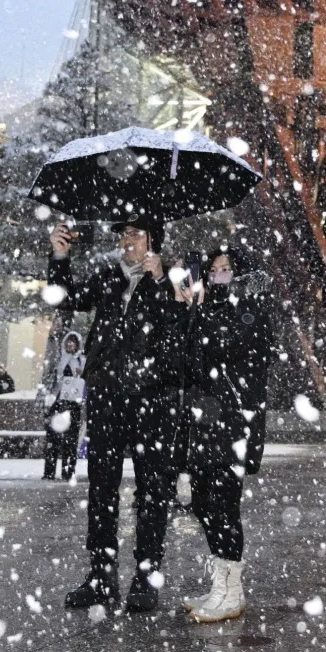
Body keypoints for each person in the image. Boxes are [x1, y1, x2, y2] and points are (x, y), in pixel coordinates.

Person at [47, 218, 183, 614]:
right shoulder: (107, 278)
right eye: (123, 234)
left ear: (153, 241)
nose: (127, 241)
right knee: (101, 487)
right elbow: (63, 297)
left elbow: (179, 329)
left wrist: (160, 283)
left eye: (136, 234)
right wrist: (60, 255)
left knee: (152, 490)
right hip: (107, 396)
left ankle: (146, 576)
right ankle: (100, 575)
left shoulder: (173, 280)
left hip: (153, 399)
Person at [173, 247, 274, 623]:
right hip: (205, 423)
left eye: (226, 269)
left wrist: (197, 311)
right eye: (213, 270)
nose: (218, 275)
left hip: (234, 425)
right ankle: (224, 585)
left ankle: (230, 591)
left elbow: (220, 349)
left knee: (224, 507)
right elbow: (188, 362)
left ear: (240, 274)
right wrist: (188, 310)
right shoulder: (209, 311)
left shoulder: (251, 311)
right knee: (202, 503)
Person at [41, 332, 85, 481]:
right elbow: (50, 377)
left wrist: (81, 374)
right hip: (58, 402)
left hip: (74, 403)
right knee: (52, 439)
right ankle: (49, 472)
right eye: (68, 342)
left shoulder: (81, 360)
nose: (71, 345)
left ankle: (68, 472)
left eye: (74, 342)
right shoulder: (59, 359)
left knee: (71, 440)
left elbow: (86, 380)